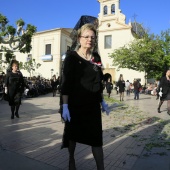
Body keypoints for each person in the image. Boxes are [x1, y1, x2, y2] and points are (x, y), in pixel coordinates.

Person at [61, 23, 109, 170]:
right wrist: (65, 106)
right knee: (72, 135)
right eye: (86, 36)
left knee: (96, 140)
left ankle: (101, 168)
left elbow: (98, 82)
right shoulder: (71, 57)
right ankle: (71, 159)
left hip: (92, 106)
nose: (90, 39)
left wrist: (102, 100)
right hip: (75, 105)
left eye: (93, 37)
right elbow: (66, 83)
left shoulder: (96, 58)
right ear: (79, 38)